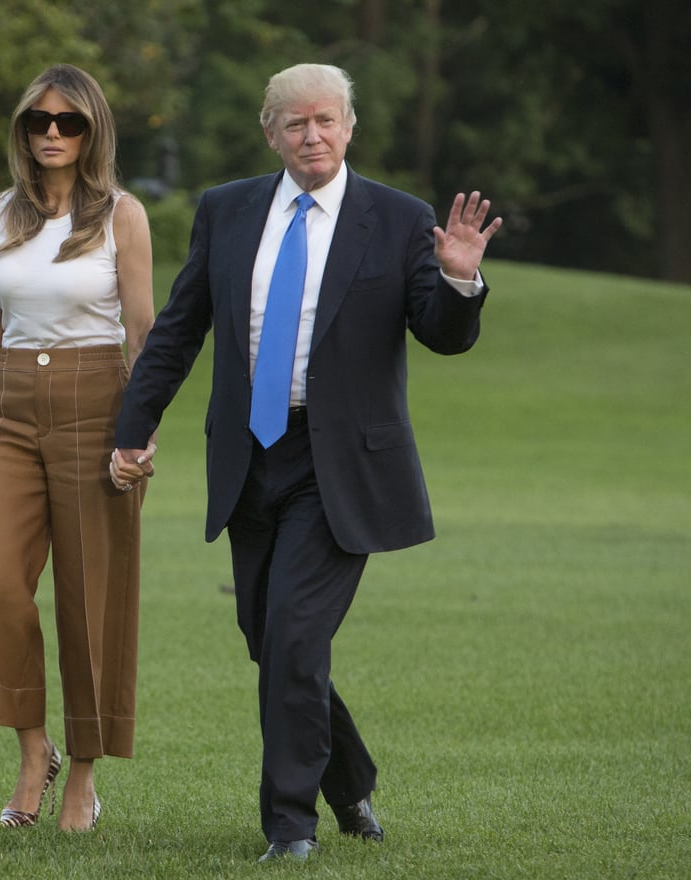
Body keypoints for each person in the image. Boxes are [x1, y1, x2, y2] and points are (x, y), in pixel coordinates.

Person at [110, 63, 501, 861]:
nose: (311, 134)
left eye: (326, 120)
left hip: (341, 468)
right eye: (295, 123)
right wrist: (133, 425)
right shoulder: (226, 210)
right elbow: (180, 328)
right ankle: (351, 779)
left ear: (350, 126)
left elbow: (440, 332)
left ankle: (290, 827)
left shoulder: (397, 219)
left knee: (291, 635)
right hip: (249, 457)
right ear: (270, 131)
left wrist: (460, 280)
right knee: (269, 633)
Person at [0, 63, 154, 833]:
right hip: (10, 410)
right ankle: (35, 750)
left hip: (98, 405)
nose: (54, 134)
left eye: (70, 122)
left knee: (90, 603)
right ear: (23, 130)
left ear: (93, 130)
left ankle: (83, 776)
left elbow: (144, 334)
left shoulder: (122, 216)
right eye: (40, 121)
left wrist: (142, 432)